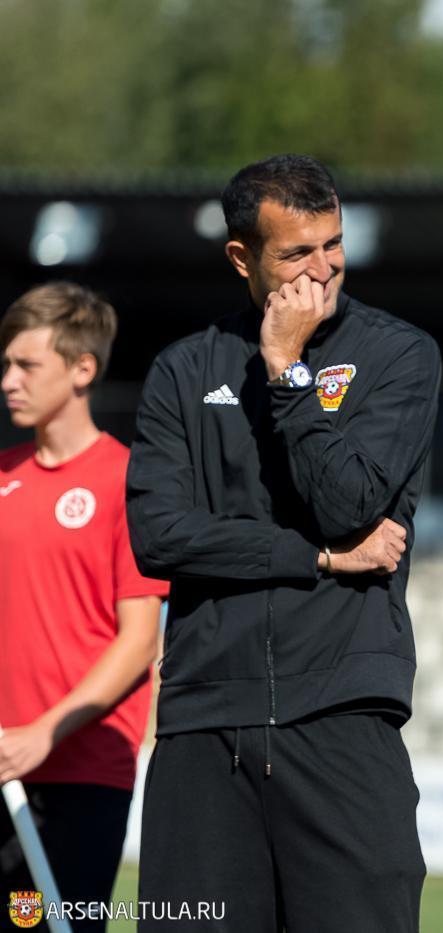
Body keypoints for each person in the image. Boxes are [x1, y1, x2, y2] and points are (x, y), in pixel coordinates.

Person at [126, 154, 440, 932]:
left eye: (333, 244)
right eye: (297, 252)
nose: (323, 268)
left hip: (342, 716)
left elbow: (347, 503)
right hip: (202, 725)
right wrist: (316, 558)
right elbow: (158, 537)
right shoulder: (183, 369)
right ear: (243, 258)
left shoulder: (400, 355)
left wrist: (286, 370)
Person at [0, 283, 168, 932]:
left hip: (82, 772)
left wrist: (43, 732)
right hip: (3, 764)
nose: (8, 380)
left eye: (26, 364)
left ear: (82, 369)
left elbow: (139, 639)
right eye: (6, 364)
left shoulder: (129, 481)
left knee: (53, 924)